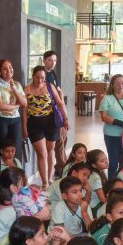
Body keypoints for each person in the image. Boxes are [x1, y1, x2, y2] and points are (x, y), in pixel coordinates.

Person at [23, 65, 69, 187]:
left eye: (42, 78)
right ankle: (44, 182)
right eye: (37, 77)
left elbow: (59, 103)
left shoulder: (50, 86)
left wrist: (66, 119)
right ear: (33, 76)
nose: (40, 80)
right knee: (42, 153)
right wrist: (24, 127)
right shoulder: (27, 89)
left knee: (50, 151)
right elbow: (25, 111)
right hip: (34, 124)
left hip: (51, 123)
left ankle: (49, 178)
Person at [0, 59, 26, 160]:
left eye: (10, 67)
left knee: (15, 150)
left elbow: (24, 103)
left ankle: (14, 170)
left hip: (15, 120)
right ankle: (1, 170)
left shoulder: (17, 85)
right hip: (0, 120)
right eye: (5, 69)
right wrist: (16, 106)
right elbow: (0, 106)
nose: (8, 70)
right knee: (2, 150)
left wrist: (14, 88)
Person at [43, 50, 68, 179]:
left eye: (55, 60)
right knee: (59, 140)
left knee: (63, 137)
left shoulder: (52, 73)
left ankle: (62, 165)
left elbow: (58, 90)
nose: (53, 63)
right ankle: (61, 167)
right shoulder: (42, 75)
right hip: (50, 112)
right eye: (50, 60)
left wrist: (62, 103)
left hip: (58, 109)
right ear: (44, 60)